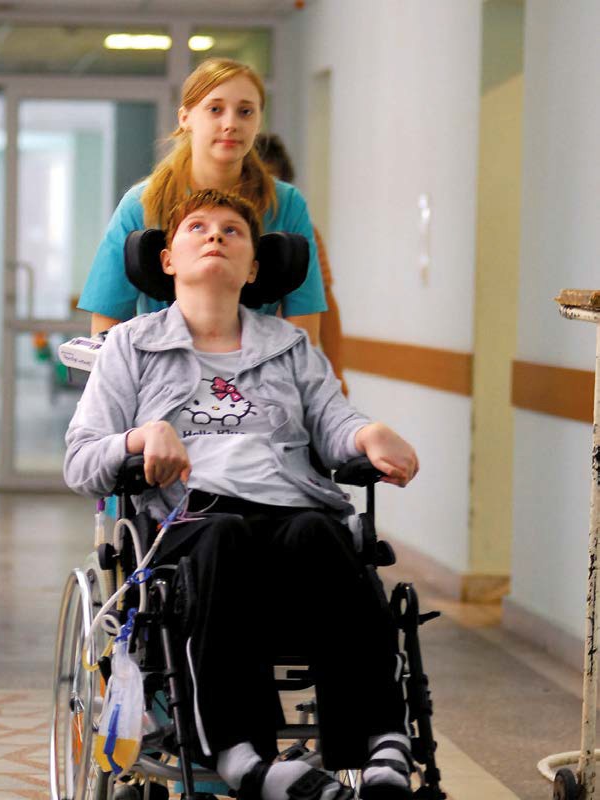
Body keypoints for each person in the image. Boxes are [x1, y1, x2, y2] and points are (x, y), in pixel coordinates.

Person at [65, 190, 419, 800]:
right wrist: (140, 438)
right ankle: (241, 756)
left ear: (254, 267)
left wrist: (368, 434)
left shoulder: (290, 346)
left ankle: (381, 744)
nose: (214, 237)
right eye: (197, 228)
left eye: (232, 230)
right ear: (167, 260)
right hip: (192, 519)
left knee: (322, 533)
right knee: (223, 535)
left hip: (289, 513)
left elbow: (333, 423)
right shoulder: (131, 346)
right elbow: (81, 460)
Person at [78, 58, 326, 345]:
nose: (230, 124)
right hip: (159, 368)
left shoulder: (286, 204)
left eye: (245, 112)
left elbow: (304, 323)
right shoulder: (142, 204)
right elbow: (106, 322)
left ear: (259, 121)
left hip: (257, 368)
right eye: (215, 109)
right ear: (185, 117)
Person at [255, 132, 347, 394]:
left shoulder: (300, 231)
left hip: (283, 363)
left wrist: (337, 373)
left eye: (275, 182)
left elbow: (324, 302)